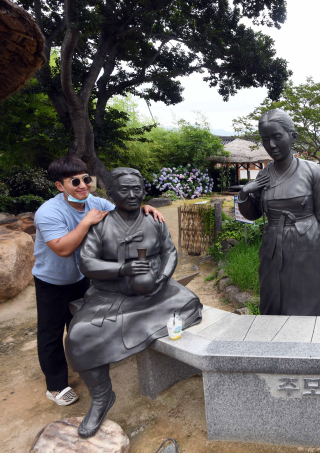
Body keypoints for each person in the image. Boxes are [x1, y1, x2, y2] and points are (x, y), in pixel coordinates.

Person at [65, 167, 202, 438]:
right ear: (112, 194)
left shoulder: (154, 219)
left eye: (137, 189)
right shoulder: (100, 224)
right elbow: (87, 262)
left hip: (155, 290)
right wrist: (122, 270)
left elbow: (169, 252)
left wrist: (162, 278)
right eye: (124, 190)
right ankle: (102, 397)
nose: (132, 195)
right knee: (78, 335)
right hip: (111, 294)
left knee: (190, 302)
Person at [33, 157, 164, 407]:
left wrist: (146, 207)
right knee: (50, 332)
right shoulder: (48, 212)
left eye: (86, 179)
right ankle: (56, 385)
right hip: (53, 279)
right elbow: (62, 248)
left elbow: (124, 205)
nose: (83, 186)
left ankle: (88, 361)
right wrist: (85, 222)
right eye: (75, 182)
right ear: (60, 186)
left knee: (83, 322)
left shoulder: (95, 202)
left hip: (84, 277)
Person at [237, 109, 320, 316]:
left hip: (307, 245)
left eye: (277, 137)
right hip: (273, 246)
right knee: (273, 297)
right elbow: (253, 214)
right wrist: (245, 192)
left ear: (293, 136)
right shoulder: (264, 175)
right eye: (265, 140)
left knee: (307, 297)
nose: (271, 145)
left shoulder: (311, 171)